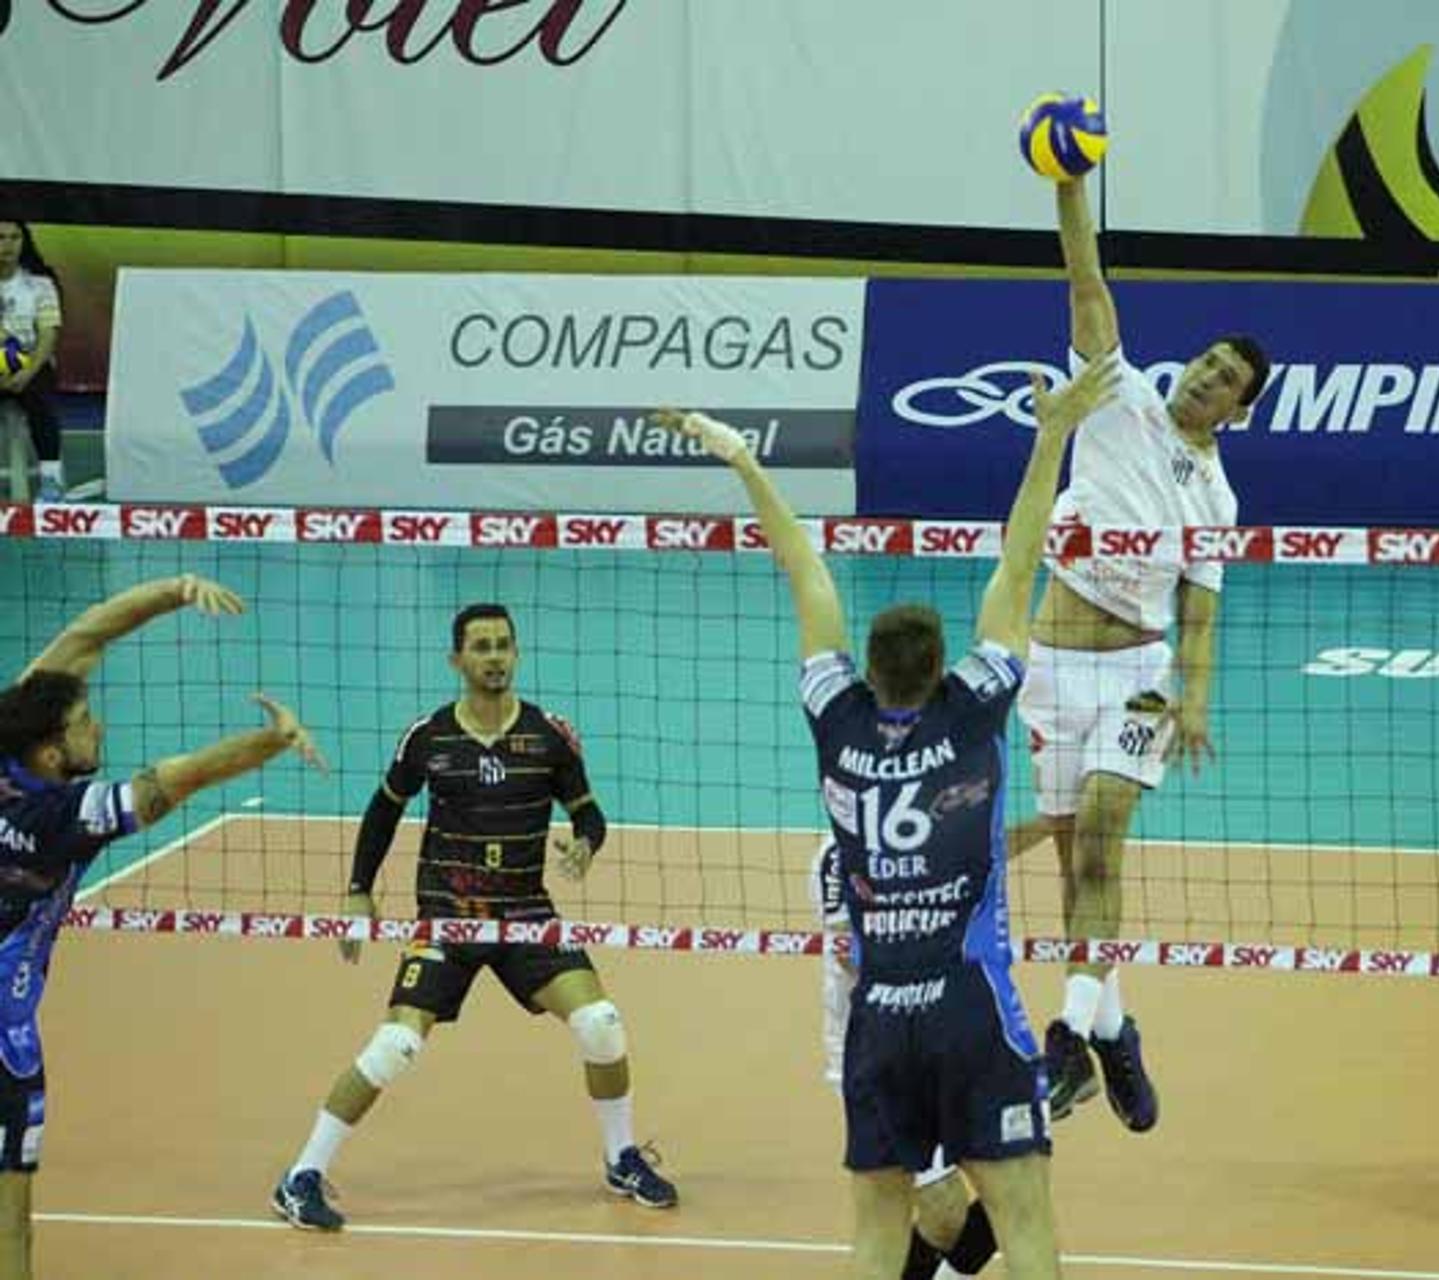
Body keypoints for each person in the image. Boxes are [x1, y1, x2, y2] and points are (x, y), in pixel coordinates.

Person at [661, 353, 1119, 1280]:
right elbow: (1020, 559)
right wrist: (1053, 435)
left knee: (875, 1237)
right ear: (944, 662)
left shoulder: (836, 716)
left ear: (869, 670)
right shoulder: (977, 706)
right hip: (967, 1007)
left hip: (877, 1017)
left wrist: (745, 465)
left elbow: (808, 578)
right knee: (1025, 1223)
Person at [272, 604, 674, 1231]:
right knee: (396, 1044)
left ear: (516, 653)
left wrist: (585, 843)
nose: (495, 657)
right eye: (481, 647)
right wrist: (358, 890)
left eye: (504, 645)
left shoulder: (549, 736)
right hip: (450, 917)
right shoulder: (429, 738)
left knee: (602, 1024)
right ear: (456, 659)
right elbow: (383, 812)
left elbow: (589, 814)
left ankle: (621, 1157)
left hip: (523, 915)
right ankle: (301, 1177)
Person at [1019, 173, 1269, 1133]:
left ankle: (1059, 1045)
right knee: (1078, 874)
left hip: (1136, 679)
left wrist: (1193, 695)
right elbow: (1086, 279)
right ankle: (1111, 1034)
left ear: (1239, 412)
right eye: (1205, 363)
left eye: (1225, 383)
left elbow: (1199, 617)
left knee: (1105, 837)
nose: (1205, 378)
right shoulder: (1116, 397)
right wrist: (1069, 186)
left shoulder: (1218, 500)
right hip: (1052, 669)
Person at [0, 574, 322, 1278]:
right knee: (13, 1220)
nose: (101, 726)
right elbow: (178, 780)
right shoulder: (60, 818)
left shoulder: (10, 737)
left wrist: (175, 589)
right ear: (53, 752)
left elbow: (86, 635)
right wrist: (272, 740)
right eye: (87, 722)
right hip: (4, 1036)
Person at [810, 838, 998, 1280]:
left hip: (945, 1041)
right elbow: (849, 953)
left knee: (1012, 1191)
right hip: (879, 1056)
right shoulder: (841, 854)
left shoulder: (942, 835)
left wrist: (1053, 826)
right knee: (947, 1213)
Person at [0, 221, 67, 501]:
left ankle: (51, 481)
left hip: (32, 365)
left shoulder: (40, 285)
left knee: (41, 402)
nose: (8, 244)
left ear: (24, 243)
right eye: (1, 237)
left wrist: (26, 373)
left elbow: (48, 335)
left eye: (15, 237)